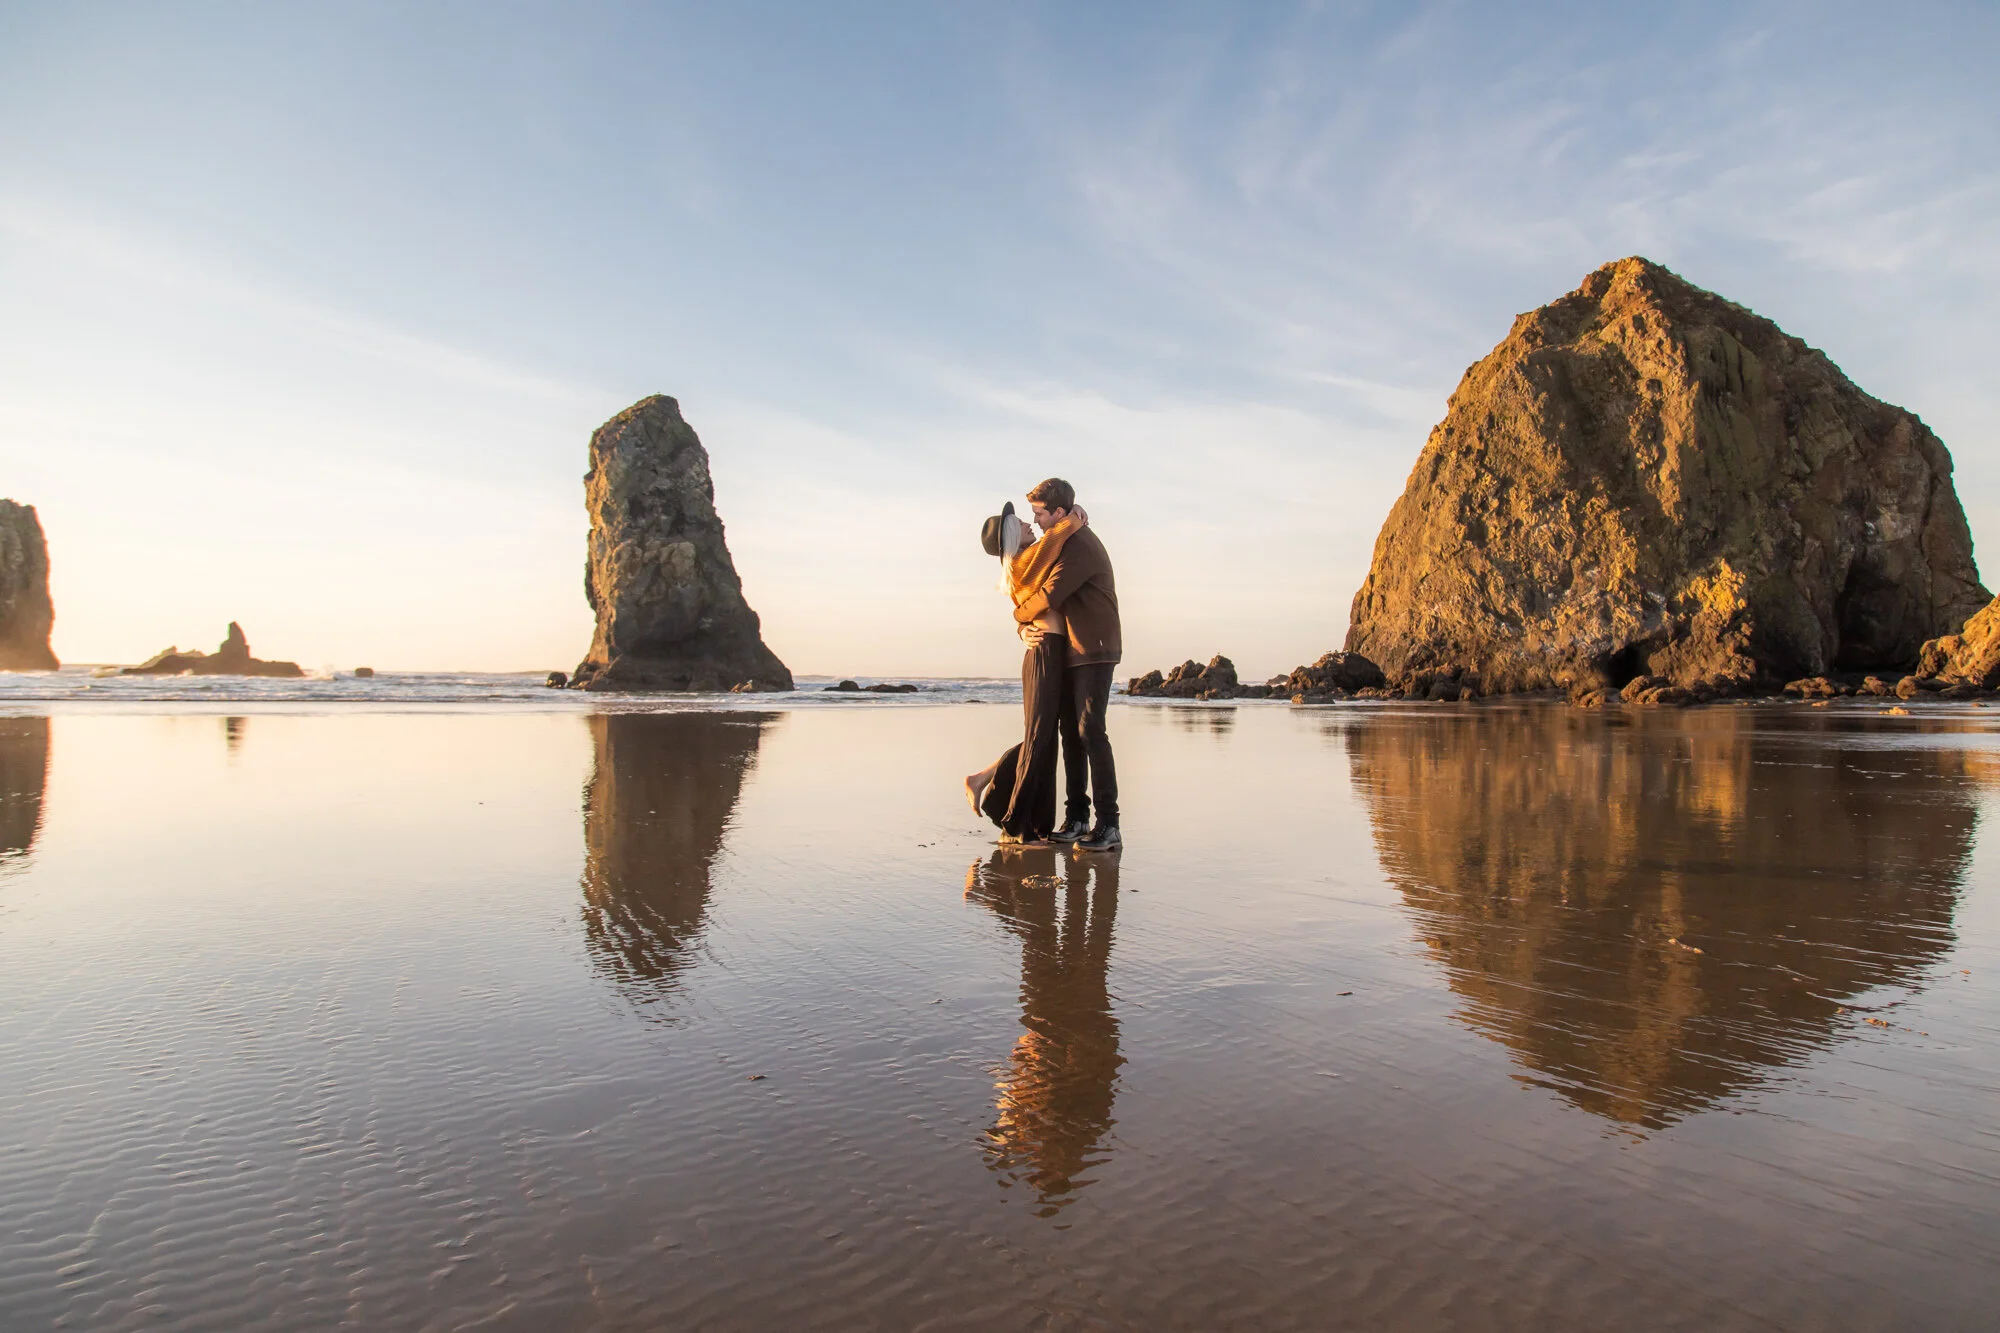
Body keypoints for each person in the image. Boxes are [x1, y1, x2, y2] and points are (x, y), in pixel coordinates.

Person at [964, 500, 1090, 847]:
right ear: (1010, 536)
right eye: (1022, 524)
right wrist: (1073, 515)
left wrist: (1020, 625)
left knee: (1043, 738)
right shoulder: (1024, 560)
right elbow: (1055, 539)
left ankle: (987, 782)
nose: (1030, 524)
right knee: (1040, 739)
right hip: (1044, 651)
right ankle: (1017, 827)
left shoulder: (1024, 562)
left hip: (1051, 650)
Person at [1015, 479, 1121, 853]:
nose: (1037, 521)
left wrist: (1018, 616)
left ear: (1058, 513)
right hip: (1075, 649)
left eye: (1040, 514)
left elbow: (1050, 594)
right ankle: (1077, 819)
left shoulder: (1077, 546)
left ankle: (1109, 825)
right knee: (1071, 734)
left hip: (1095, 646)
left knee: (1091, 730)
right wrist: (1023, 626)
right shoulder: (1064, 538)